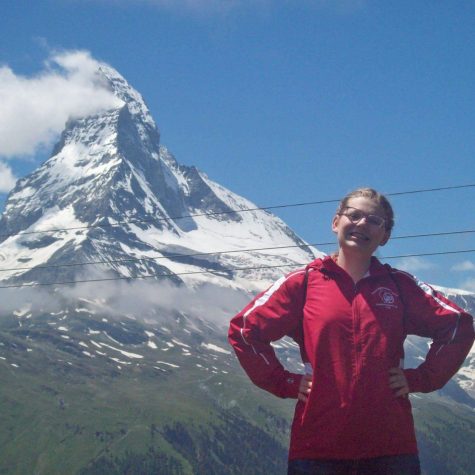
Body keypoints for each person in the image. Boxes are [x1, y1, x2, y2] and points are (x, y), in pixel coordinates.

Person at [228, 187, 474, 475]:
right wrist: (283, 381)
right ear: (336, 222)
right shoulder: (304, 283)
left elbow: (458, 324)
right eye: (353, 215)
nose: (361, 224)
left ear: (385, 236)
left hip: (391, 450)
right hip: (317, 450)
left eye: (374, 220)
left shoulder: (399, 286)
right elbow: (245, 329)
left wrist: (422, 378)